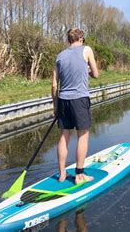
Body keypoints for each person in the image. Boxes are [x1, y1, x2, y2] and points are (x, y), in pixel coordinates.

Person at [52, 28, 99, 185]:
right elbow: (96, 73)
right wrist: (87, 70)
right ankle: (79, 175)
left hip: (63, 100)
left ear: (68, 40)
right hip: (79, 99)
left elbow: (54, 85)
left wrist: (55, 106)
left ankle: (62, 174)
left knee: (64, 136)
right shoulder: (86, 50)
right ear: (81, 38)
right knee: (83, 136)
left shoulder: (59, 56)